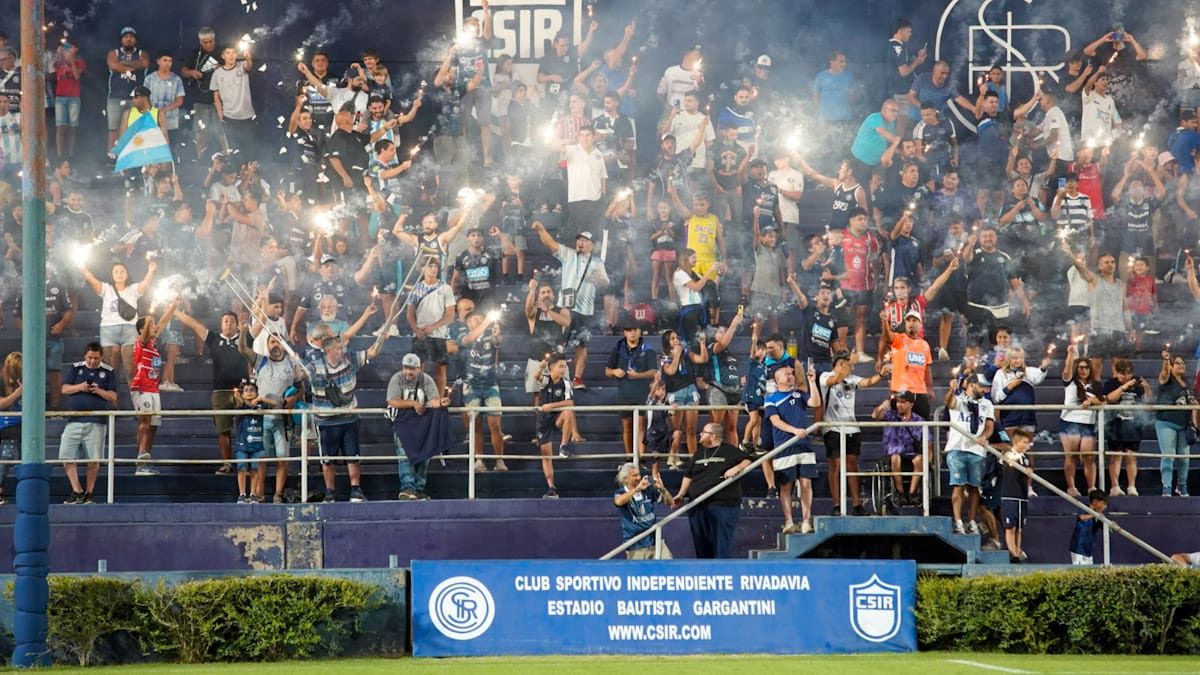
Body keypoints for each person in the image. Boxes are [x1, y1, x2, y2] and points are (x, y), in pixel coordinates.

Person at [306, 329, 391, 503]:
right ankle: (330, 492)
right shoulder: (314, 366)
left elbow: (373, 351)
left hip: (349, 417)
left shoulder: (350, 359)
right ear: (327, 350)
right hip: (326, 421)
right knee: (327, 459)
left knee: (353, 455)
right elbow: (298, 375)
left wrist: (382, 338)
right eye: (338, 348)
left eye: (341, 347)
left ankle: (355, 490)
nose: (341, 351)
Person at [530, 221, 609, 389]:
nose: (580, 242)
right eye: (579, 239)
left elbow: (606, 284)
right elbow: (550, 244)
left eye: (585, 240)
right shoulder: (568, 254)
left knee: (582, 344)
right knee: (558, 342)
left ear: (592, 245)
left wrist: (598, 280)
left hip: (585, 310)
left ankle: (577, 378)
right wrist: (542, 229)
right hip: (565, 306)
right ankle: (553, 375)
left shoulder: (597, 263)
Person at [173, 310, 252, 475]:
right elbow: (194, 324)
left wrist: (261, 300)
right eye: (226, 321)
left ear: (237, 324)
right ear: (221, 324)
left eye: (232, 320)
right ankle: (227, 464)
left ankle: (246, 464)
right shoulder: (214, 338)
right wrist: (175, 311)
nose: (229, 323)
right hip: (220, 391)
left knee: (246, 428)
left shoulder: (244, 338)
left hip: (245, 391)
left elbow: (260, 324)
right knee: (223, 431)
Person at [820, 350, 886, 516]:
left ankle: (857, 504)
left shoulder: (852, 379)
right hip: (833, 427)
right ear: (841, 364)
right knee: (835, 465)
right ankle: (836, 505)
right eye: (849, 363)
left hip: (852, 428)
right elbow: (834, 380)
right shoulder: (825, 376)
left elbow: (868, 382)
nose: (853, 366)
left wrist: (881, 375)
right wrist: (848, 364)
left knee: (852, 464)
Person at [672, 423, 752, 559]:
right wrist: (681, 494)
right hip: (697, 505)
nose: (700, 434)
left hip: (722, 504)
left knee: (721, 544)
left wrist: (736, 468)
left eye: (704, 432)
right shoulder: (698, 453)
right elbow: (688, 475)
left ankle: (720, 572)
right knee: (701, 545)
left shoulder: (729, 450)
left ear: (713, 436)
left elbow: (749, 460)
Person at [79, 259, 156, 385]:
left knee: (130, 366)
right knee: (109, 366)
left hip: (130, 329)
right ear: (112, 274)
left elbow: (145, 284)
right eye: (116, 272)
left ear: (127, 274)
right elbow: (91, 279)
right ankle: (112, 399)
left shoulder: (133, 288)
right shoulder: (106, 288)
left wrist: (151, 271)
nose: (119, 274)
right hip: (109, 329)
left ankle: (136, 396)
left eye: (122, 271)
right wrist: (82, 268)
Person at [60, 343, 118, 504]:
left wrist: (98, 390)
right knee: (65, 455)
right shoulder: (75, 367)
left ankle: (89, 493)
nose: (92, 361)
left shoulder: (108, 371)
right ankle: (77, 490)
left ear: (102, 357)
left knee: (94, 459)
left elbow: (113, 396)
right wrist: (81, 387)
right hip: (74, 420)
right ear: (85, 356)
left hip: (96, 422)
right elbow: (64, 389)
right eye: (90, 358)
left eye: (96, 358)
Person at [765, 365, 819, 534]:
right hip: (784, 445)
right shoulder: (771, 398)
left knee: (806, 483)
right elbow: (775, 421)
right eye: (786, 374)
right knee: (785, 485)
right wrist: (794, 431)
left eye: (792, 374)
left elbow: (815, 403)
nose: (791, 376)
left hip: (803, 446)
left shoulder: (800, 394)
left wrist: (812, 382)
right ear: (777, 379)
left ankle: (806, 521)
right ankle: (789, 521)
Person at [387, 353, 448, 501]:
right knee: (404, 455)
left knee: (424, 456)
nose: (408, 372)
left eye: (412, 369)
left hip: (422, 425)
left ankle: (418, 489)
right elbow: (392, 401)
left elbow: (434, 402)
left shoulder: (426, 380)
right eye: (406, 368)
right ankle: (407, 488)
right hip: (403, 424)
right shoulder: (396, 379)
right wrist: (413, 404)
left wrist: (442, 402)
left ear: (420, 368)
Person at [130, 296, 180, 476]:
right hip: (141, 387)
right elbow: (145, 334)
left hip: (153, 388)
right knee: (145, 421)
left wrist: (173, 306)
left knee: (153, 425)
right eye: (151, 326)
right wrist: (149, 316)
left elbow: (164, 321)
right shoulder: (140, 342)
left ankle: (146, 459)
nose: (155, 328)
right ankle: (140, 461)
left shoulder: (153, 342)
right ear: (142, 330)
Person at [944, 373, 995, 535]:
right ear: (971, 385)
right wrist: (951, 390)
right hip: (957, 447)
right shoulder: (959, 399)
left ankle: (971, 520)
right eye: (981, 386)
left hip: (977, 450)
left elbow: (989, 425)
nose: (985, 390)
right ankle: (958, 521)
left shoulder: (987, 404)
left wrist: (984, 437)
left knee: (974, 487)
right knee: (958, 485)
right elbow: (948, 402)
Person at [459, 311, 508, 472]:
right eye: (475, 319)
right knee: (476, 424)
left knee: (495, 424)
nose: (479, 320)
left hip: (490, 384)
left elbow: (498, 342)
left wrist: (497, 336)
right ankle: (479, 460)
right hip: (471, 385)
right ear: (467, 323)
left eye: (481, 317)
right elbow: (469, 340)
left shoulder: (490, 333)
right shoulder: (462, 334)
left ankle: (499, 461)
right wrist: (486, 320)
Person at [605, 320, 659, 456]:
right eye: (629, 330)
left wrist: (637, 376)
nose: (632, 333)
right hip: (624, 393)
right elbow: (607, 371)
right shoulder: (618, 348)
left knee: (641, 427)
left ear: (640, 332)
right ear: (625, 333)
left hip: (642, 393)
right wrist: (614, 371)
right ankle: (630, 458)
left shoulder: (648, 349)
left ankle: (641, 458)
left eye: (635, 330)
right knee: (627, 428)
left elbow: (654, 371)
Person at [406, 257, 456, 394]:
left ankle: (439, 399)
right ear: (422, 268)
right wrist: (417, 331)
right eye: (430, 266)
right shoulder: (416, 289)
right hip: (420, 335)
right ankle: (418, 397)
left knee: (441, 368)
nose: (433, 269)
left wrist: (432, 327)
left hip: (439, 334)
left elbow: (450, 315)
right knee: (418, 367)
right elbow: (409, 315)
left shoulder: (445, 288)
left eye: (435, 266)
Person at [1060, 343, 1103, 497]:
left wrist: (1091, 401)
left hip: (1088, 423)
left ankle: (1091, 488)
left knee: (1089, 457)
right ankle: (1071, 487)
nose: (1083, 370)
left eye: (1086, 367)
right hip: (1070, 421)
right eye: (1080, 367)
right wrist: (1071, 354)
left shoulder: (1095, 385)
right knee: (1070, 456)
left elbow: (1103, 401)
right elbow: (1066, 370)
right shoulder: (1070, 381)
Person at [1102, 358, 1150, 497]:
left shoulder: (1137, 383)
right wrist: (1123, 387)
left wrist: (1146, 387)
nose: (1125, 376)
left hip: (1134, 425)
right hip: (1115, 425)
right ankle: (1115, 486)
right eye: (1122, 373)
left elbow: (1147, 401)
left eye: (1128, 373)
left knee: (1131, 456)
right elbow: (1110, 398)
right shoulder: (1111, 383)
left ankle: (1131, 486)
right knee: (1116, 456)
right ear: (1116, 373)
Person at [872, 390, 927, 507]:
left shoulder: (919, 420)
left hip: (911, 453)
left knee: (920, 459)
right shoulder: (890, 415)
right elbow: (875, 416)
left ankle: (912, 494)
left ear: (911, 404)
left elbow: (929, 442)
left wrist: (930, 458)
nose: (899, 405)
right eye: (898, 402)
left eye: (903, 402)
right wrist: (882, 406)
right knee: (896, 457)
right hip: (892, 454)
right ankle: (900, 493)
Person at [537, 355, 579, 498]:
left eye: (565, 367)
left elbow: (570, 403)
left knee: (568, 412)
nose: (563, 369)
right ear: (552, 367)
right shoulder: (545, 380)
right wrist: (541, 366)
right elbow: (537, 376)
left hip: (557, 419)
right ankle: (551, 487)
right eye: (560, 366)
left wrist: (550, 406)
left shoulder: (566, 383)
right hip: (543, 421)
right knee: (546, 456)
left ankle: (563, 447)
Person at [1156, 351, 1196, 498]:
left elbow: (1191, 400)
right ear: (1172, 366)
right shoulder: (1166, 379)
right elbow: (1164, 373)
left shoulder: (1187, 382)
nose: (1181, 365)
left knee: (1185, 457)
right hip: (1167, 422)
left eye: (1183, 363)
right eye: (1178, 363)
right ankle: (1166, 487)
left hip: (1184, 424)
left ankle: (1182, 486)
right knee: (1168, 455)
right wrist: (1166, 360)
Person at [614, 462, 674, 560]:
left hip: (655, 541)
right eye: (634, 476)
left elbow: (670, 502)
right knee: (639, 574)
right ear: (626, 479)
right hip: (636, 545)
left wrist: (662, 489)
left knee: (668, 567)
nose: (638, 478)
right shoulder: (620, 493)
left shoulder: (648, 490)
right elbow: (618, 502)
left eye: (639, 474)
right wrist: (636, 490)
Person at [106, 27, 150, 151]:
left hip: (136, 98)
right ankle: (112, 154)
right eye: (126, 37)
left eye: (131, 37)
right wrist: (133, 66)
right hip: (115, 96)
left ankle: (133, 154)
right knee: (113, 128)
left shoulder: (142, 53)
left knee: (135, 127)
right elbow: (113, 65)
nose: (128, 39)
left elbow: (144, 64)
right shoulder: (114, 53)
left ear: (135, 40)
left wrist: (123, 64)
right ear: (121, 40)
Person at [210, 42, 255, 159]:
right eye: (228, 53)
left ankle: (248, 174)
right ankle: (235, 174)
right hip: (229, 117)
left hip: (247, 116)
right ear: (223, 56)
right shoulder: (217, 74)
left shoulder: (242, 66)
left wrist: (248, 58)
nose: (231, 55)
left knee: (250, 150)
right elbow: (216, 95)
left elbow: (249, 66)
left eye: (233, 52)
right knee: (234, 151)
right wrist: (220, 113)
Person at [232, 378, 267, 503]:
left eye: (252, 390)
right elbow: (237, 406)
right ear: (242, 393)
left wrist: (261, 399)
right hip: (242, 444)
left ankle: (253, 494)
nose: (249, 392)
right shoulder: (239, 406)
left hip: (256, 444)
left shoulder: (261, 406)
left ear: (257, 393)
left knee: (254, 469)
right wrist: (238, 397)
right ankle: (242, 494)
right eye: (246, 390)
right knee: (242, 468)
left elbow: (274, 404)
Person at [1001, 429, 1033, 563]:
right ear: (1016, 442)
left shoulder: (1026, 458)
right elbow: (1009, 460)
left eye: (1027, 443)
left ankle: (1017, 549)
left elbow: (1029, 471)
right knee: (1010, 526)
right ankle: (1012, 552)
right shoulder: (1008, 454)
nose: (1026, 445)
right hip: (1009, 495)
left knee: (1019, 527)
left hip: (1022, 496)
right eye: (1024, 442)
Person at [0, 353, 20, 503]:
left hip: (17, 428)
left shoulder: (25, 381)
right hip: (3, 426)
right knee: (5, 458)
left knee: (8, 457)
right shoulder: (1, 382)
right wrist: (17, 393)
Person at [1068, 490, 1108, 565]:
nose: (1105, 507)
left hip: (1088, 550)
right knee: (1077, 570)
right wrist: (1095, 515)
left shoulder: (1098, 516)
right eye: (1103, 504)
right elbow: (1081, 517)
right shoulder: (1083, 508)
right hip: (1078, 549)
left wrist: (1110, 524)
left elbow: (1107, 529)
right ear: (1095, 502)